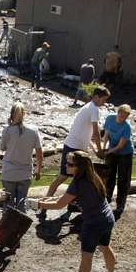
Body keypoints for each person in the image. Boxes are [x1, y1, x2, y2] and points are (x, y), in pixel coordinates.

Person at [36, 150, 116, 272]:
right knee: (105, 247)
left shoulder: (77, 183)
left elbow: (60, 205)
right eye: (66, 163)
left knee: (87, 257)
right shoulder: (93, 177)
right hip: (107, 219)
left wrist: (38, 205)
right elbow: (64, 198)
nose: (66, 166)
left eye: (70, 164)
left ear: (80, 167)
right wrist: (46, 200)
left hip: (94, 223)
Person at [43, 87, 107, 219]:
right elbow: (95, 133)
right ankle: (45, 204)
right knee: (64, 176)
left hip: (74, 145)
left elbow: (87, 134)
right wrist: (100, 151)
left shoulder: (88, 106)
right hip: (74, 148)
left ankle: (71, 203)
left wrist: (94, 149)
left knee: (76, 177)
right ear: (96, 97)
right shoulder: (94, 109)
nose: (104, 103)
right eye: (103, 99)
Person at [0, 103, 43, 209]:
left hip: (9, 172)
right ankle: (21, 225)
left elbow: (2, 148)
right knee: (21, 203)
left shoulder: (7, 130)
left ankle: (7, 225)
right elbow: (39, 154)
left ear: (11, 114)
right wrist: (38, 170)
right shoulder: (33, 130)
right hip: (25, 173)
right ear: (24, 114)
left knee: (8, 203)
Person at [101, 104, 134, 217]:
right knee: (108, 174)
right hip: (111, 149)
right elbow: (106, 134)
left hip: (125, 153)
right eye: (120, 115)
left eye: (124, 117)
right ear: (117, 112)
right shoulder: (110, 118)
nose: (122, 118)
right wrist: (103, 147)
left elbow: (120, 146)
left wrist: (109, 152)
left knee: (123, 179)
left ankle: (120, 204)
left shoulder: (127, 127)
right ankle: (107, 197)